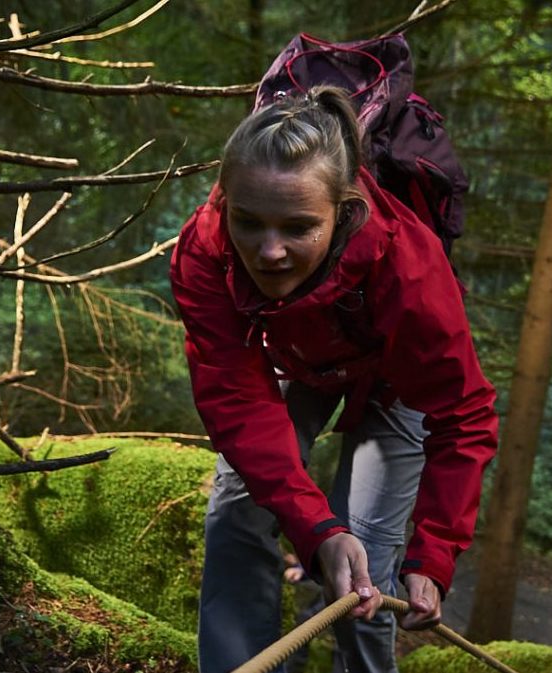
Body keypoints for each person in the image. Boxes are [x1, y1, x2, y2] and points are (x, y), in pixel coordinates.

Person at [169, 85, 498, 673]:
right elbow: (235, 398)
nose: (269, 252)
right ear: (225, 203)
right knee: (239, 505)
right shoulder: (205, 247)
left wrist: (434, 555)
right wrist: (315, 526)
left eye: (297, 227)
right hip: (293, 357)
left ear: (344, 211)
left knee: (365, 558)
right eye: (249, 222)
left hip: (394, 381)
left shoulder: (408, 266)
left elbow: (463, 415)